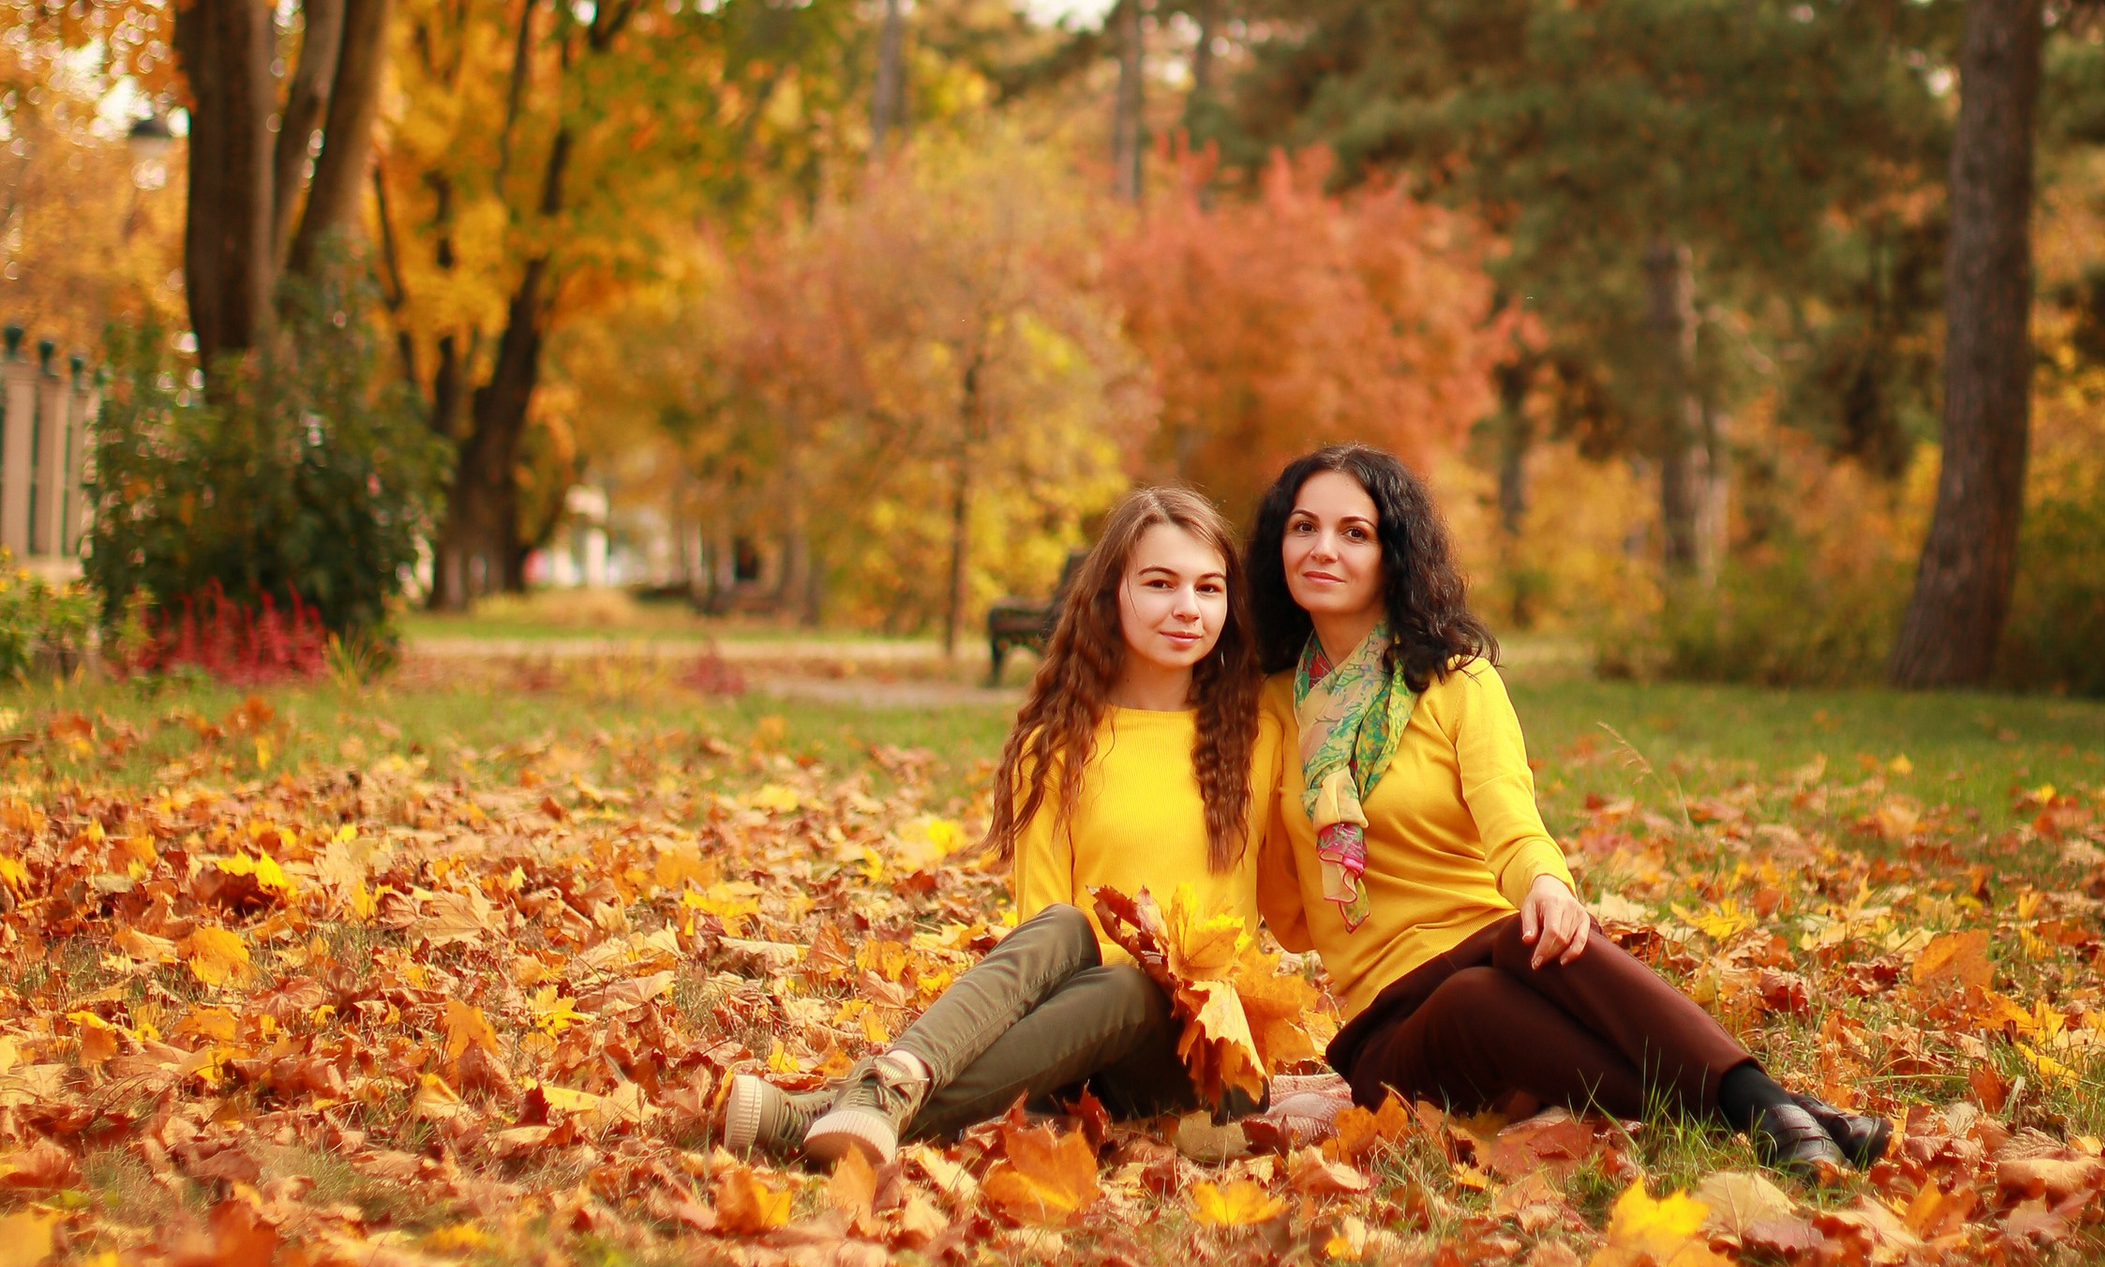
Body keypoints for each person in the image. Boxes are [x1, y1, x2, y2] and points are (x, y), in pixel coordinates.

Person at [1249, 444, 1883, 1173]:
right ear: (1280, 544)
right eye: (1304, 528)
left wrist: (1548, 885)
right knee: (1476, 980)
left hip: (1498, 974)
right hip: (1387, 1029)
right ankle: (1781, 1108)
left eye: (1353, 533)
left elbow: (1512, 824)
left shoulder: (1458, 683)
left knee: (1497, 966)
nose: (1323, 549)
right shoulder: (1268, 711)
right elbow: (1285, 913)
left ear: (1392, 553)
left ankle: (1763, 1112)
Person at [725, 485, 1283, 1178]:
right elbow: (1040, 941)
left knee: (1134, 986)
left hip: (1205, 1060)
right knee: (1063, 929)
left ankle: (821, 1113)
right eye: (1160, 583)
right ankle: (892, 1083)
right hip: (1077, 1045)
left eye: (1208, 588)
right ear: (1113, 593)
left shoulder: (1260, 736)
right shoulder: (1055, 748)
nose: (1187, 609)